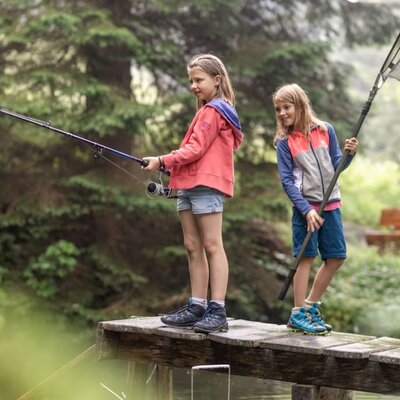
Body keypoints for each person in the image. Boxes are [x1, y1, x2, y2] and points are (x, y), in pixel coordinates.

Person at [142, 54, 243, 333]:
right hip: (187, 186)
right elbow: (194, 153)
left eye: (199, 80)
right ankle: (197, 305)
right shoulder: (205, 111)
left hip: (206, 186)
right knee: (192, 246)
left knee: (212, 245)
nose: (194, 86)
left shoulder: (214, 111)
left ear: (217, 80)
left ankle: (217, 309)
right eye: (191, 81)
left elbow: (196, 150)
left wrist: (161, 160)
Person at [273, 83, 358, 335]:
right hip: (305, 208)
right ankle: (298, 312)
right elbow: (287, 181)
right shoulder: (284, 142)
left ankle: (310, 305)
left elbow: (336, 167)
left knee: (336, 256)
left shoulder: (325, 130)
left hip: (331, 203)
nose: (281, 113)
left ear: (299, 105)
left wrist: (348, 155)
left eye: (286, 107)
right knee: (305, 258)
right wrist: (305, 210)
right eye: (277, 109)